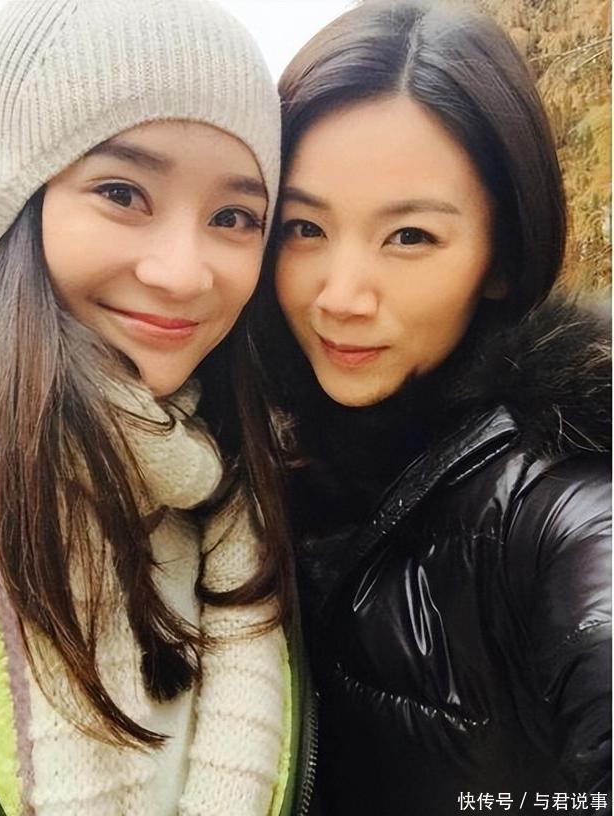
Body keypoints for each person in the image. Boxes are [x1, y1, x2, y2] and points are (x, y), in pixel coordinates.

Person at [248, 0, 612, 813]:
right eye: (304, 228)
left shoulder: (557, 500)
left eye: (410, 236)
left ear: (501, 256)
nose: (341, 297)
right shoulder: (244, 453)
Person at [0, 1, 303, 814]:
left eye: (233, 217)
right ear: (11, 198)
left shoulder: (240, 471)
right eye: (122, 192)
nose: (183, 273)